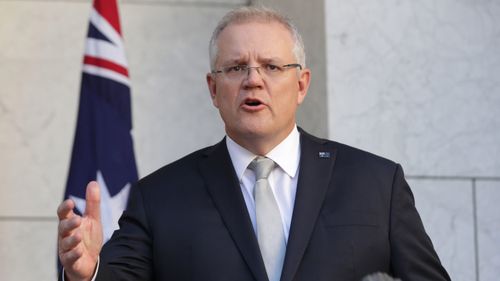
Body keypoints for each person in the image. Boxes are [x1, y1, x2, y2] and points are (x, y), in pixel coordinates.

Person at [57, 6, 451, 281]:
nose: (253, 80)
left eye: (272, 67)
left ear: (301, 84)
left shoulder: (377, 185)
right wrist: (87, 272)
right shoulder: (159, 196)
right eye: (235, 68)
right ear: (214, 89)